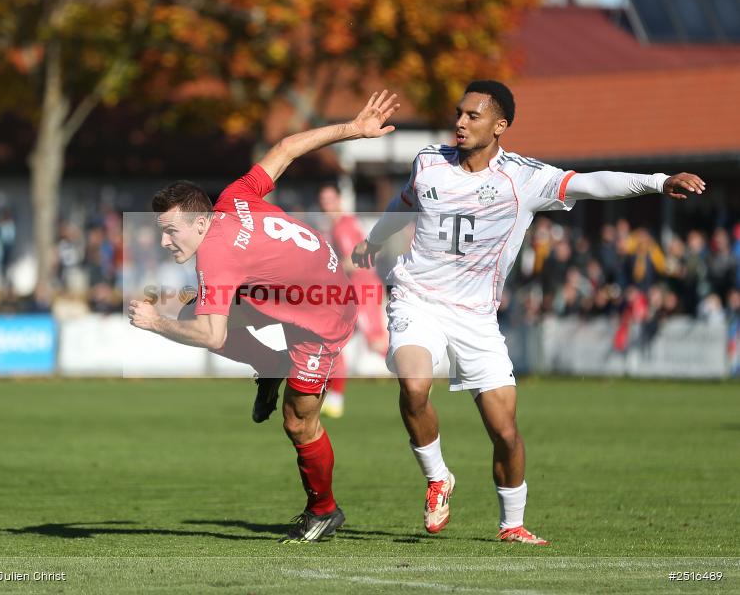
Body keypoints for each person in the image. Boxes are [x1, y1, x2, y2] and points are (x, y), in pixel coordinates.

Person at [352, 80, 705, 545]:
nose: (460, 122)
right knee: (414, 385)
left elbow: (592, 183)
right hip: (417, 297)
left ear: (500, 126)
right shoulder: (429, 162)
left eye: (472, 116)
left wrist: (658, 182)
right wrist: (374, 241)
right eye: (459, 113)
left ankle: (511, 524)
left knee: (505, 431)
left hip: (476, 317)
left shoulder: (523, 178)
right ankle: (438, 477)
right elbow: (404, 204)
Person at [129, 90, 400, 543]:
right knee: (197, 309)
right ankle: (271, 364)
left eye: (169, 231)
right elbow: (287, 148)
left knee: (298, 422)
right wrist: (353, 129)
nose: (164, 242)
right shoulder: (233, 196)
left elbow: (212, 335)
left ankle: (324, 510)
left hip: (325, 313)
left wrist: (157, 324)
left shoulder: (215, 257)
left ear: (198, 223)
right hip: (292, 288)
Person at [316, 184, 389, 418]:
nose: (326, 206)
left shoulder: (343, 226)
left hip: (362, 287)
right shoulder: (340, 225)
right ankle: (335, 401)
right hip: (352, 290)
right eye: (323, 201)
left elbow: (354, 260)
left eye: (330, 200)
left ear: (339, 200)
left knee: (376, 341)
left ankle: (415, 378)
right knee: (335, 342)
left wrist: (329, 268)